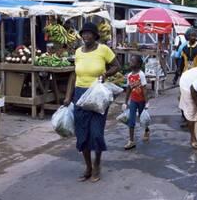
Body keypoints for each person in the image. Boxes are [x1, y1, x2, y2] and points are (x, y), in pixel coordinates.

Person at [63, 22, 121, 183]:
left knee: (96, 133)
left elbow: (117, 66)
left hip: (97, 95)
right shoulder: (78, 52)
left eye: (89, 33)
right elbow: (73, 76)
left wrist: (106, 74)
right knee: (82, 135)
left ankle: (97, 165)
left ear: (95, 35)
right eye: (84, 33)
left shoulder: (104, 50)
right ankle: (88, 167)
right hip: (80, 95)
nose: (86, 36)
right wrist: (68, 97)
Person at [123, 55, 151, 150]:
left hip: (142, 101)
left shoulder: (141, 75)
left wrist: (147, 102)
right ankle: (131, 141)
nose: (130, 62)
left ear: (138, 64)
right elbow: (128, 89)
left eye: (132, 61)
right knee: (131, 120)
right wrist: (125, 102)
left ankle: (146, 130)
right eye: (130, 61)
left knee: (142, 118)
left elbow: (144, 89)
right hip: (133, 101)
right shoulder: (129, 76)